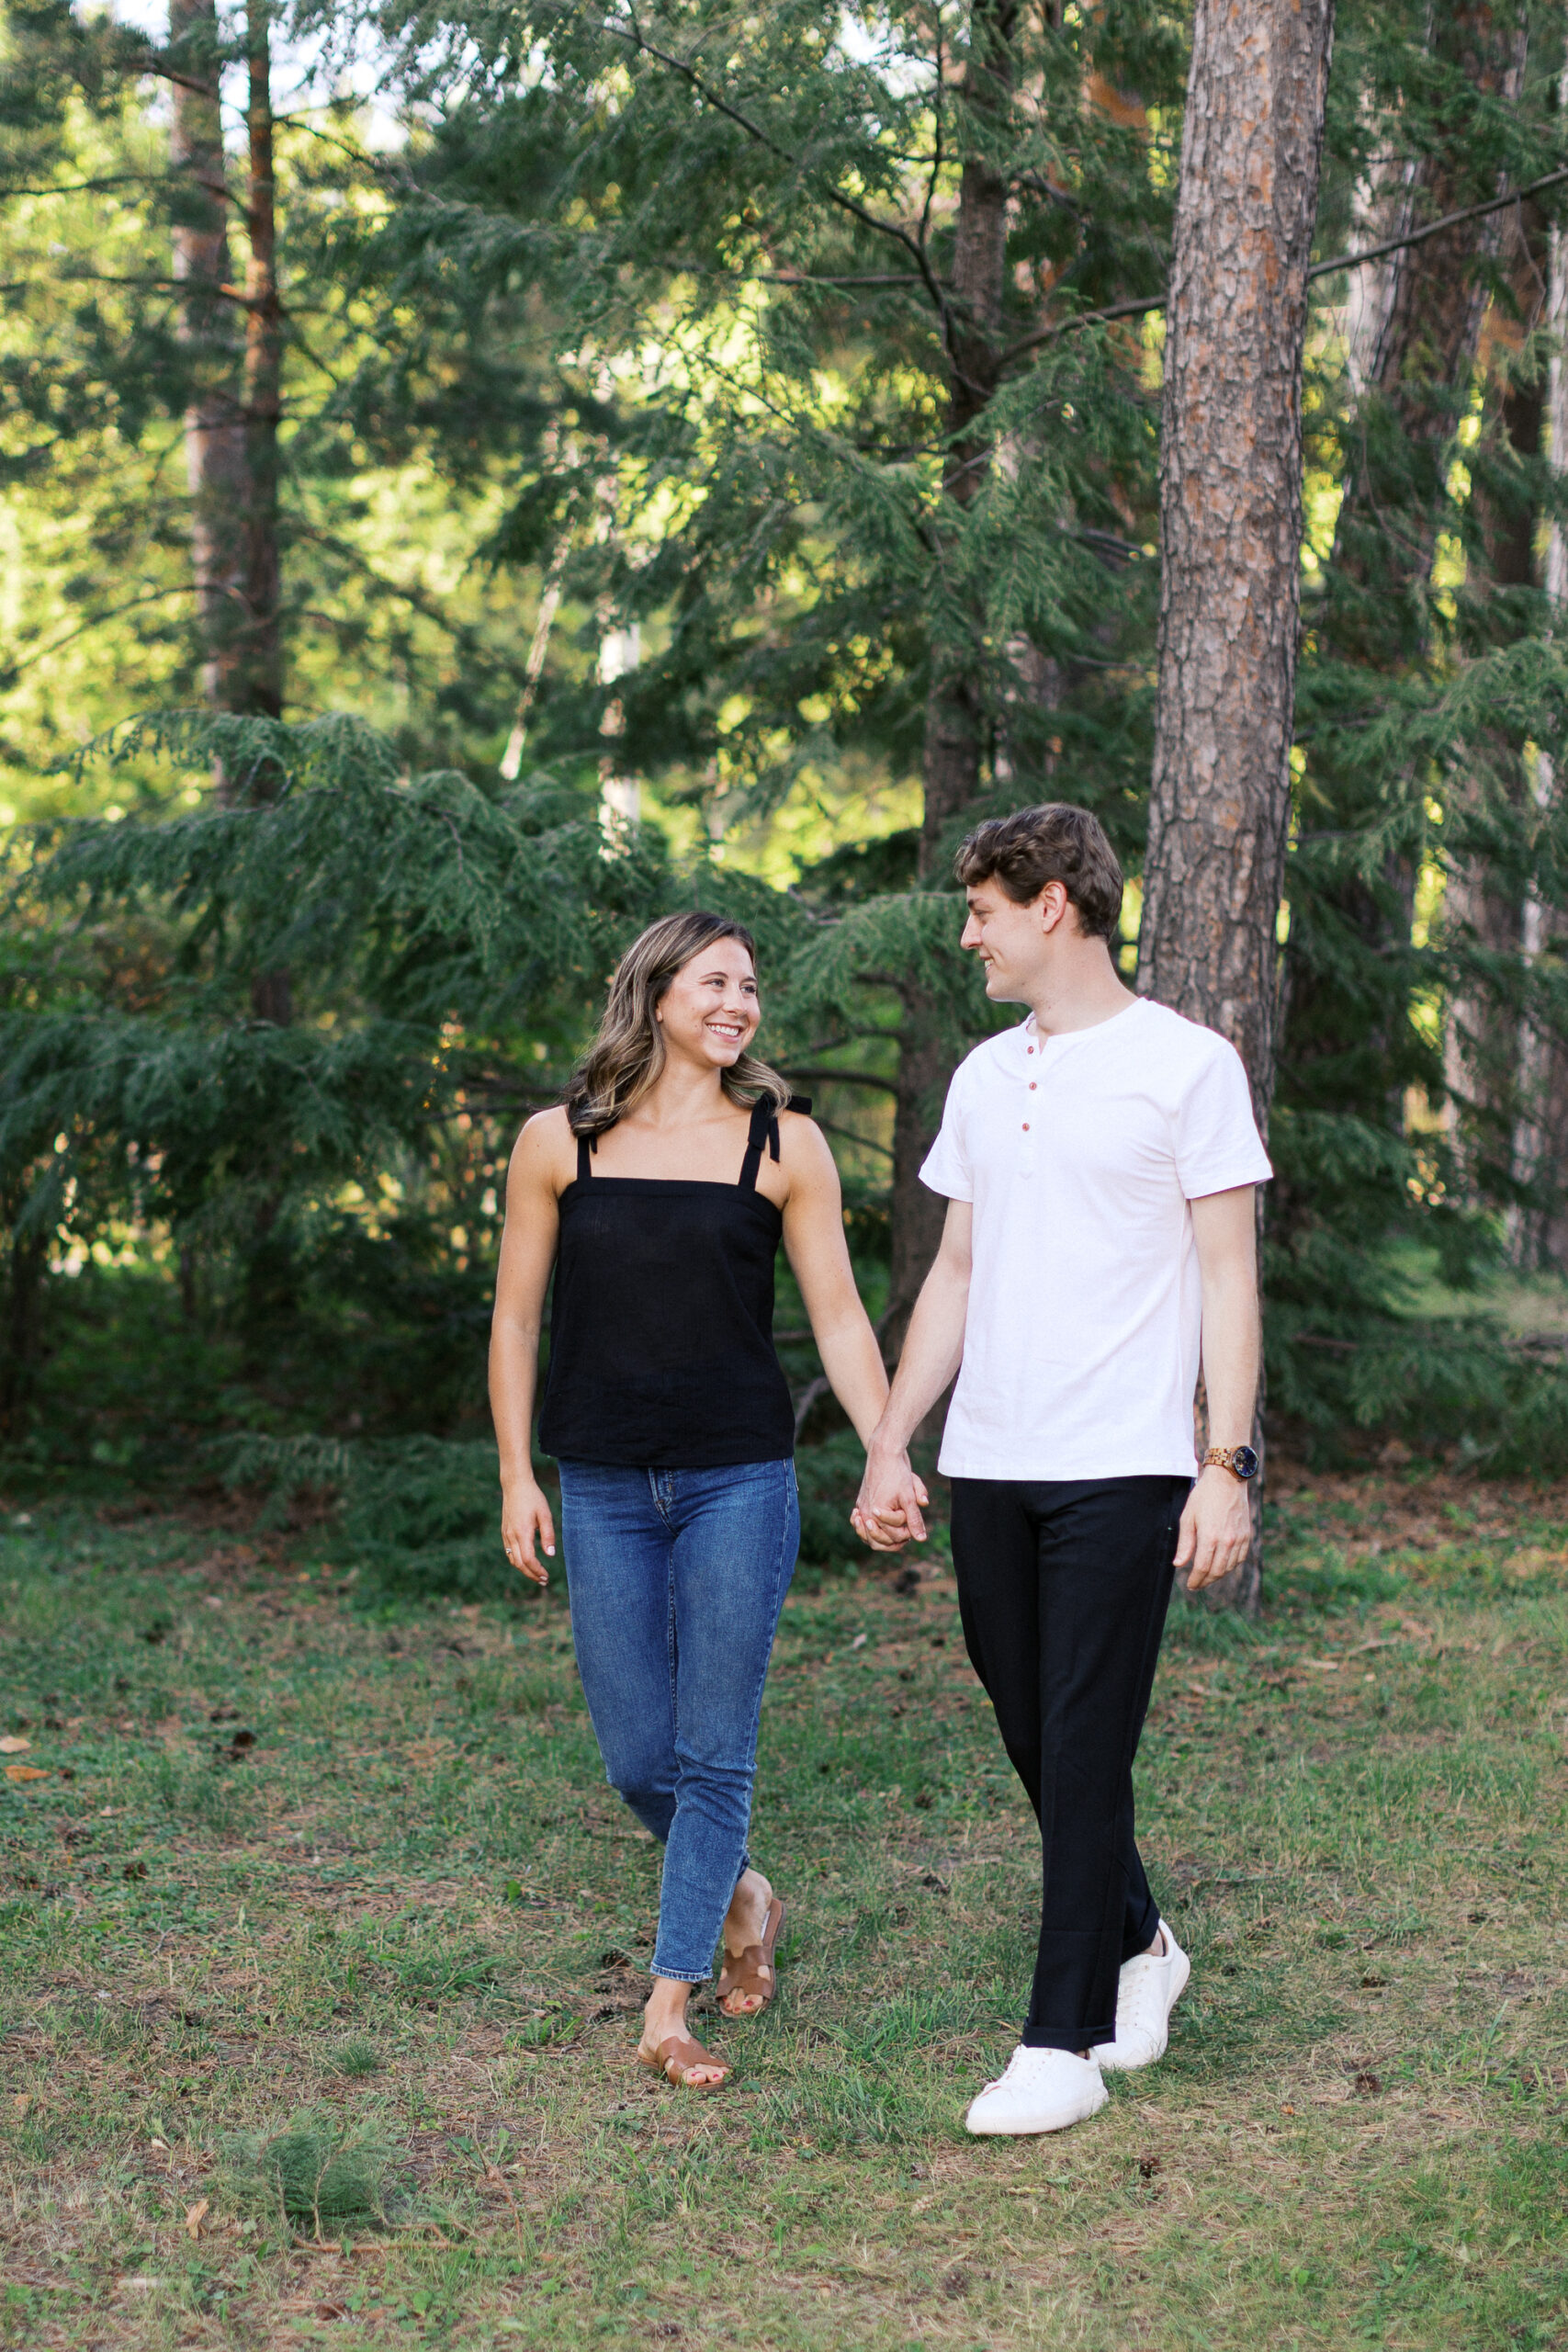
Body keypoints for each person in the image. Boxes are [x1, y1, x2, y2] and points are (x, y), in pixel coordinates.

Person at [853, 803, 1271, 2136]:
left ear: (1051, 905)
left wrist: (1224, 1462)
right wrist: (889, 1439)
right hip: (993, 1462)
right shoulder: (982, 1078)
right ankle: (1144, 1939)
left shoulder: (1186, 1066)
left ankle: (1060, 2044)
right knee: (1033, 1731)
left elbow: (1225, 1275)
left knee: (1084, 1746)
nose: (966, 932)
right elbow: (956, 1274)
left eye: (981, 908)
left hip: (1125, 1466)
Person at [490, 910, 896, 2093]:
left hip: (738, 1478)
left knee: (715, 1751)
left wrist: (885, 1448)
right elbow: (517, 1320)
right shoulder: (560, 1140)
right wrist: (518, 1471)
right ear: (656, 990)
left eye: (752, 987)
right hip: (604, 1480)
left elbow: (840, 1318)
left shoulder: (785, 1145)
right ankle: (745, 1889)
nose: (739, 1002)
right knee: (635, 1758)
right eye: (716, 981)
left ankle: (668, 2002)